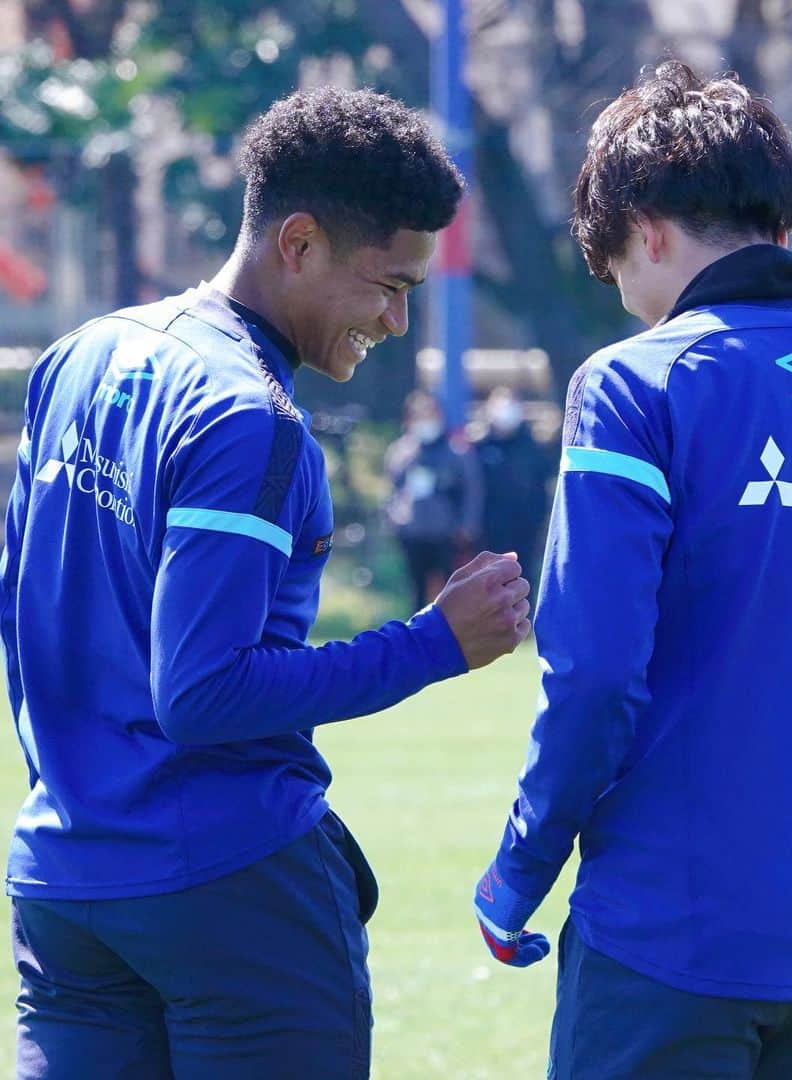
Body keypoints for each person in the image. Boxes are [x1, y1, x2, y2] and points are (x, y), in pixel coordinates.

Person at [472, 62, 792, 1078]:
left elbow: (593, 675)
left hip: (670, 934)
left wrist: (518, 870)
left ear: (649, 227)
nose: (625, 298)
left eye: (614, 261)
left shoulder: (634, 385)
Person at [1, 86, 531, 1079]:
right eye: (388, 284)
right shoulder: (248, 417)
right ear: (299, 244)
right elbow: (203, 694)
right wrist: (431, 644)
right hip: (226, 894)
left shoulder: (81, 354)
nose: (400, 319)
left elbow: (20, 609)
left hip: (67, 884)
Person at [385, 388, 483, 613]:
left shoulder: (456, 451)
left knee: (448, 589)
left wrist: (467, 525)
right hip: (412, 530)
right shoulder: (402, 450)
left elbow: (471, 490)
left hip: (445, 530)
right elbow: (392, 488)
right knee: (416, 590)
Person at [473, 386, 554, 587]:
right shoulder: (480, 446)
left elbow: (544, 485)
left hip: (526, 529)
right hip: (489, 530)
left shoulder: (534, 446)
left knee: (526, 582)